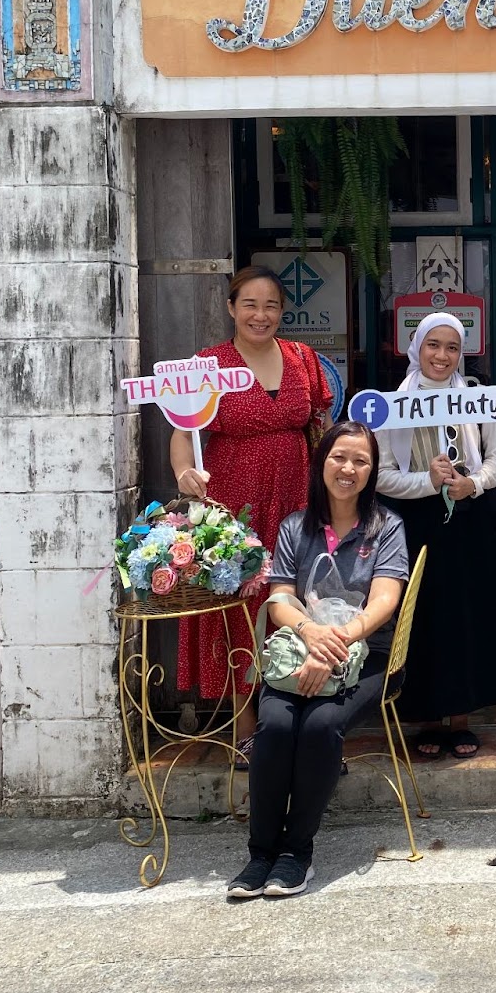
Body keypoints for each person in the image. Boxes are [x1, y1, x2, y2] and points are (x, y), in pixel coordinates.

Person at [227, 421, 409, 900]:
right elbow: (280, 600)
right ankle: (260, 854)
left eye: (361, 461)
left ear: (372, 471)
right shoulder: (295, 526)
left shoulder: (387, 527)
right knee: (275, 725)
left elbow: (384, 601)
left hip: (369, 655)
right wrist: (311, 635)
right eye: (339, 457)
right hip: (298, 652)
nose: (348, 468)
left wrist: (336, 644)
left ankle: (295, 853)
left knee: (320, 725)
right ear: (321, 462)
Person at [173, 265, 333, 750]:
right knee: (239, 602)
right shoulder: (208, 363)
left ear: (282, 312)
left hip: (296, 496)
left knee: (299, 597)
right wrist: (184, 474)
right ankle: (246, 730)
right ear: (231, 308)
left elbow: (321, 424)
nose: (260, 315)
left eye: (270, 306)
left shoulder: (303, 358)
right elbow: (184, 431)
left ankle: (303, 719)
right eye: (249, 304)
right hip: (234, 501)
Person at [377, 313, 496, 761]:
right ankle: (427, 716)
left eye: (452, 347)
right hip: (416, 524)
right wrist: (428, 482)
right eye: (433, 345)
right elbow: (381, 474)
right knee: (423, 617)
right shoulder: (392, 405)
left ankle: (461, 717)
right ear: (416, 347)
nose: (442, 355)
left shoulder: (475, 398)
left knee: (468, 616)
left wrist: (471, 484)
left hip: (470, 523)